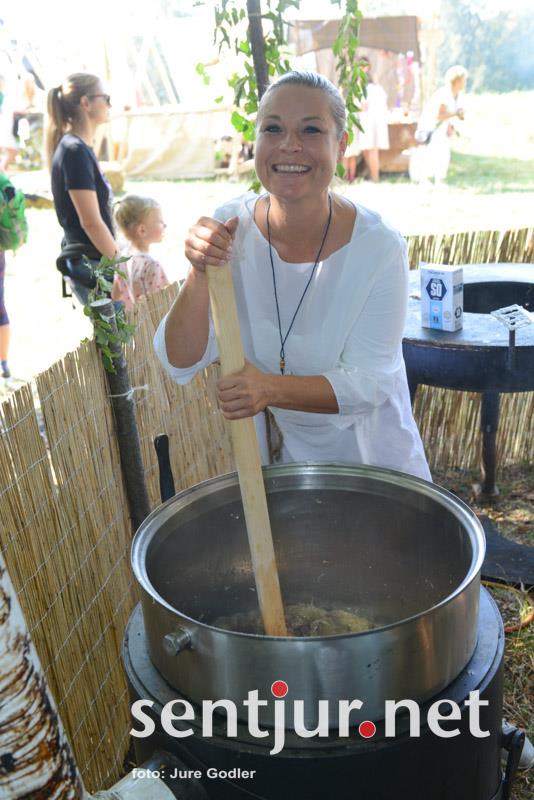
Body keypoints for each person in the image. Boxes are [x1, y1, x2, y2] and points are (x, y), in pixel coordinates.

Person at [154, 71, 430, 481]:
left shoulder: (379, 247)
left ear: (341, 144)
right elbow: (179, 360)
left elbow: (369, 384)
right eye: (273, 128)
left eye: (311, 130)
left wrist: (267, 389)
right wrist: (199, 272)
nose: (289, 144)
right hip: (291, 466)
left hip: (376, 464)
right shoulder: (231, 228)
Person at [46, 73, 117, 304]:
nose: (109, 105)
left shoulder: (77, 148)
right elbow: (91, 222)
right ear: (86, 103)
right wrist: (122, 268)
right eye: (105, 98)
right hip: (92, 265)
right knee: (121, 329)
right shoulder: (74, 151)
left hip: (95, 261)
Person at [111, 195, 170, 310]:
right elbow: (165, 303)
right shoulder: (151, 265)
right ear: (142, 230)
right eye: (160, 221)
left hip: (133, 319)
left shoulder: (122, 257)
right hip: (154, 321)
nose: (165, 225)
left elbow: (115, 295)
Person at [412, 65, 467, 185]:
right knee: (432, 154)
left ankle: (439, 180)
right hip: (431, 128)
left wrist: (456, 119)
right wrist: (456, 113)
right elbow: (439, 115)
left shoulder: (457, 95)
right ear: (456, 80)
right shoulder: (444, 94)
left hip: (442, 129)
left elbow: (454, 113)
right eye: (463, 80)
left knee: (443, 154)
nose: (465, 83)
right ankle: (425, 180)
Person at [343, 57, 390, 183]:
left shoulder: (368, 86)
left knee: (372, 150)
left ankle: (375, 178)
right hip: (370, 121)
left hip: (370, 121)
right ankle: (373, 176)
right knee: (368, 150)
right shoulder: (373, 86)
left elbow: (364, 105)